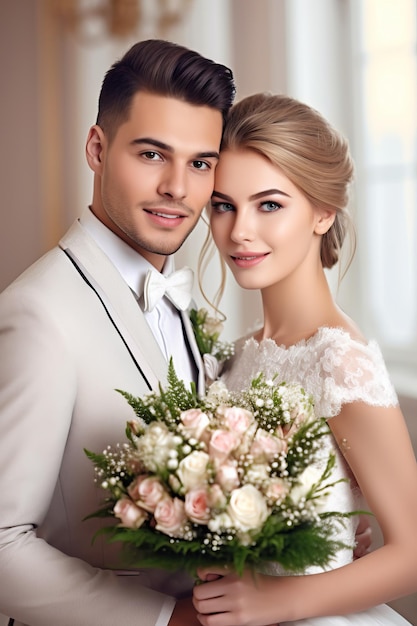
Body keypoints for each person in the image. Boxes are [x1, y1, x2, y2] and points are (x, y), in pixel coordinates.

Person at [0, 39, 235, 626]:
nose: (178, 188)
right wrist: (168, 620)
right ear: (97, 149)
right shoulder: (38, 313)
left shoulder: (175, 297)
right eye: (153, 154)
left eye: (201, 163)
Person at [192, 93, 417, 625]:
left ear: (322, 212)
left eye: (269, 204)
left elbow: (413, 552)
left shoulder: (338, 361)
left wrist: (275, 600)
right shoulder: (237, 357)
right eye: (224, 204)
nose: (239, 229)